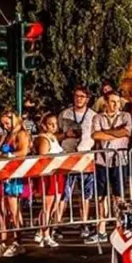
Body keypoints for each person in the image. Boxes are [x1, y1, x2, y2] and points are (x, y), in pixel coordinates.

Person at [91, 92, 132, 244]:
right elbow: (95, 135)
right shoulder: (98, 118)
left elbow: (126, 132)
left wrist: (106, 133)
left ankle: (119, 226)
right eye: (112, 102)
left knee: (118, 194)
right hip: (102, 160)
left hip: (120, 160)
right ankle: (101, 229)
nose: (115, 105)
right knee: (101, 195)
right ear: (106, 103)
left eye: (117, 102)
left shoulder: (125, 116)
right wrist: (115, 134)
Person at [0, 110, 30, 258]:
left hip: (14, 175)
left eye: (7, 122)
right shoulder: (7, 135)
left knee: (14, 210)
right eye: (3, 123)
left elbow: (23, 151)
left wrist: (6, 155)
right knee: (1, 208)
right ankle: (4, 241)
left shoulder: (21, 134)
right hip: (3, 173)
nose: (5, 126)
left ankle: (18, 242)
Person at [58, 85, 97, 238]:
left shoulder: (93, 116)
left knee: (85, 195)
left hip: (86, 158)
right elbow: (56, 134)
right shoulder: (65, 114)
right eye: (76, 95)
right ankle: (57, 225)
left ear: (87, 98)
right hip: (68, 157)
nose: (79, 98)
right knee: (64, 194)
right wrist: (65, 135)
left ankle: (84, 223)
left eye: (82, 96)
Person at [33, 113, 65, 248]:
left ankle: (43, 232)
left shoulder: (53, 137)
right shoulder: (43, 139)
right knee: (47, 206)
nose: (53, 126)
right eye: (50, 124)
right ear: (44, 125)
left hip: (58, 174)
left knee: (54, 206)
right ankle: (45, 234)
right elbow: (43, 158)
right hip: (49, 175)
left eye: (55, 124)